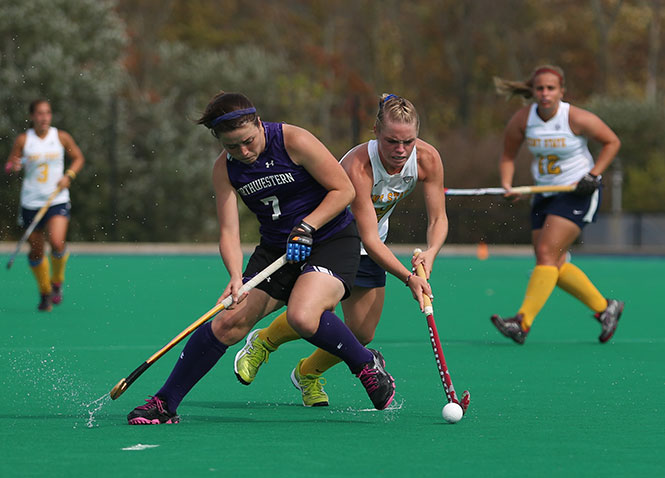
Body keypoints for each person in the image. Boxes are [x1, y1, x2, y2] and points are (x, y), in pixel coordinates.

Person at [126, 91, 395, 425]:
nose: (243, 152)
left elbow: (344, 190)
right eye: (231, 146)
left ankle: (365, 363)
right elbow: (228, 231)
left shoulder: (293, 140)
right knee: (227, 322)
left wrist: (307, 226)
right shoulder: (225, 169)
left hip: (330, 238)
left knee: (303, 315)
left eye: (248, 141)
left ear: (258, 123)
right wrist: (235, 276)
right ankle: (165, 402)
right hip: (275, 250)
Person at [232, 94, 447, 407]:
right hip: (335, 240)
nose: (401, 151)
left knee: (361, 334)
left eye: (408, 141)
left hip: (374, 246)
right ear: (375, 131)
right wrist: (407, 277)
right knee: (315, 314)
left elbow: (439, 218)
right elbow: (367, 238)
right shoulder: (357, 167)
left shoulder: (427, 159)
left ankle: (307, 373)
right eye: (391, 142)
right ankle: (264, 341)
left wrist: (432, 252)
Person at [490, 65, 624, 344]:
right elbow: (507, 155)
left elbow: (612, 142)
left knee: (545, 253)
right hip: (545, 192)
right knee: (552, 261)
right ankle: (605, 308)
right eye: (540, 88)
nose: (545, 93)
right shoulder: (524, 119)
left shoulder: (574, 117)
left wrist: (593, 175)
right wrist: (507, 184)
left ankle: (522, 322)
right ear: (533, 91)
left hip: (577, 191)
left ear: (561, 91)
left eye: (551, 88)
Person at [4, 99, 85, 311]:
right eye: (40, 113)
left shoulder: (60, 136)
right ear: (32, 116)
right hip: (31, 202)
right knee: (37, 252)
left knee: (57, 243)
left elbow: (78, 158)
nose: (44, 117)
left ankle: (57, 281)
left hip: (56, 199)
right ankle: (44, 292)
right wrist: (15, 165)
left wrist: (69, 175)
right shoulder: (24, 140)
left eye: (47, 113)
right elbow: (11, 164)